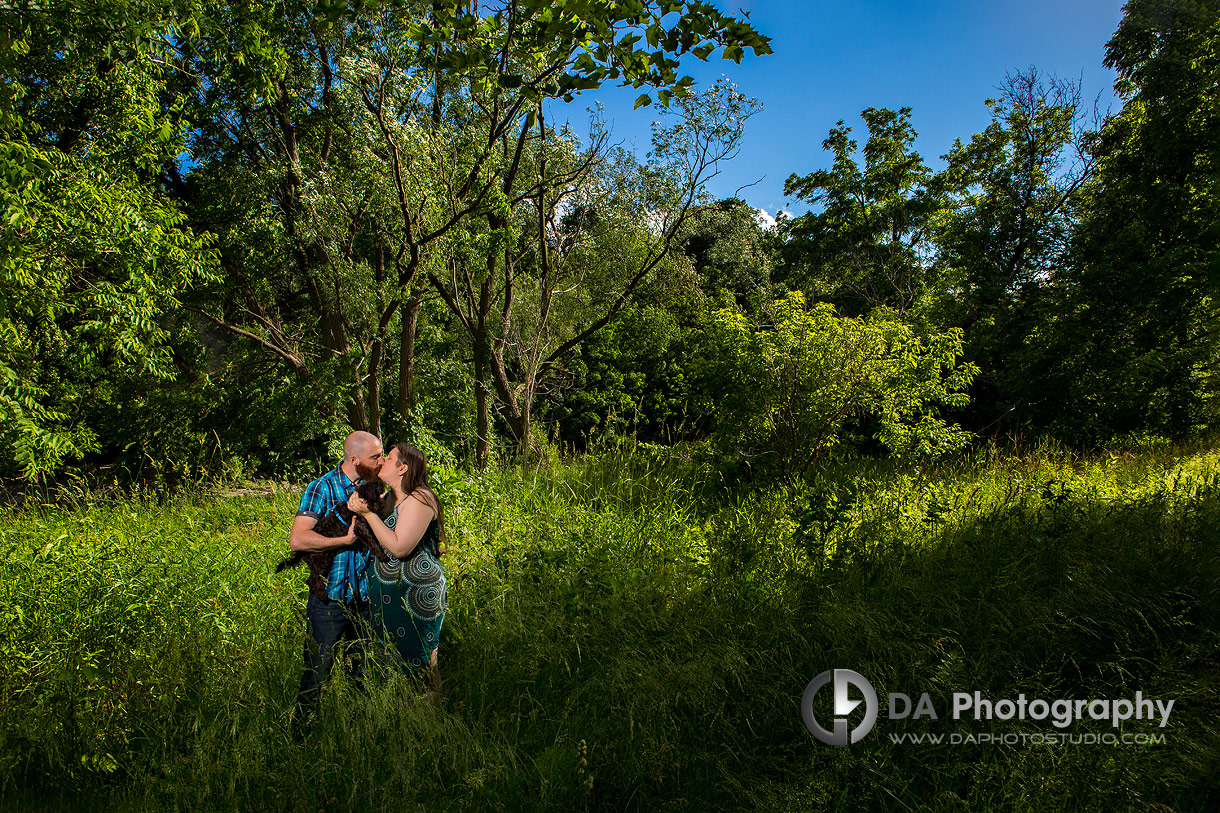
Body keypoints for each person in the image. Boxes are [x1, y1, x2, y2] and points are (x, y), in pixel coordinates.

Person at [289, 430, 383, 726]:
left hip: (365, 598)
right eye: (375, 457)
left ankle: (358, 735)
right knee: (317, 674)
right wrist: (343, 541)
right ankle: (302, 735)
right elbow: (298, 540)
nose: (381, 462)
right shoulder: (322, 487)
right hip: (329, 599)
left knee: (362, 674)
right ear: (354, 460)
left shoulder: (375, 487)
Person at [348, 442, 447, 701]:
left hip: (417, 595)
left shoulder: (420, 498)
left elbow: (400, 547)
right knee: (394, 661)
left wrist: (368, 515)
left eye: (389, 458)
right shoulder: (388, 499)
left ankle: (434, 715)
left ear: (403, 468)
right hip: (390, 596)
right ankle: (406, 713)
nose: (382, 461)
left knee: (422, 662)